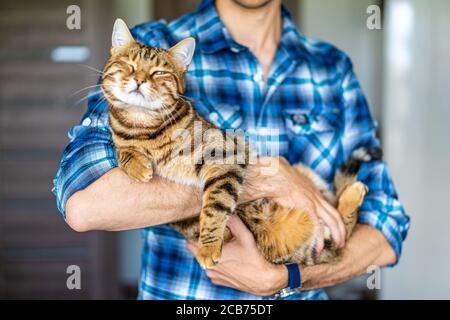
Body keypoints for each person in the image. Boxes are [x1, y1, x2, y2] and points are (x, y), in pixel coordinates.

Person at [53, 0, 410, 299]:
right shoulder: (148, 46)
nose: (141, 78)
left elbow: (387, 225)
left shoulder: (333, 68)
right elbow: (85, 205)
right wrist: (266, 177)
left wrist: (289, 278)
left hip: (293, 244)